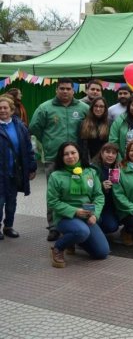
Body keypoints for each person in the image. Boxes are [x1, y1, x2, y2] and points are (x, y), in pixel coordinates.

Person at [30, 78, 89, 241]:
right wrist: (48, 143)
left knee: (77, 192)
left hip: (77, 160)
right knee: (53, 194)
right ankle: (54, 227)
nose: (65, 91)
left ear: (73, 90)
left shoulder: (84, 108)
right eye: (61, 88)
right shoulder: (45, 108)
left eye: (68, 89)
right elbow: (35, 127)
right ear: (56, 90)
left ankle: (75, 222)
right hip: (53, 158)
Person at [47, 142, 109, 268]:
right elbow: (52, 202)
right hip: (65, 217)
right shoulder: (56, 176)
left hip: (86, 215)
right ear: (61, 157)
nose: (70, 156)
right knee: (82, 231)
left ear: (79, 154)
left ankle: (73, 239)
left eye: (73, 153)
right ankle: (58, 248)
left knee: (102, 253)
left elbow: (99, 196)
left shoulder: (90, 172)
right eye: (66, 154)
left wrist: (95, 215)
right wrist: (75, 211)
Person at [0, 96, 36, 240]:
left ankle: (9, 226)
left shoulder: (20, 126)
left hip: (14, 172)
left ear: (11, 109)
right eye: (0, 108)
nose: (2, 110)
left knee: (11, 202)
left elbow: (28, 148)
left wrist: (32, 167)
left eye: (5, 108)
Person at [90, 142, 120, 235]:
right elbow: (87, 188)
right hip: (93, 205)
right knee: (96, 221)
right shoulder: (92, 168)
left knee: (112, 226)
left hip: (108, 206)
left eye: (113, 153)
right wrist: (101, 186)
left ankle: (98, 233)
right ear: (102, 153)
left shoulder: (118, 168)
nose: (110, 155)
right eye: (108, 152)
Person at [79, 97, 110, 163]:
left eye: (101, 106)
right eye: (96, 106)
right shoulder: (84, 123)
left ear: (105, 109)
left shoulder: (109, 124)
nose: (98, 109)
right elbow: (82, 145)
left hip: (105, 160)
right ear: (92, 108)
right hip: (88, 161)